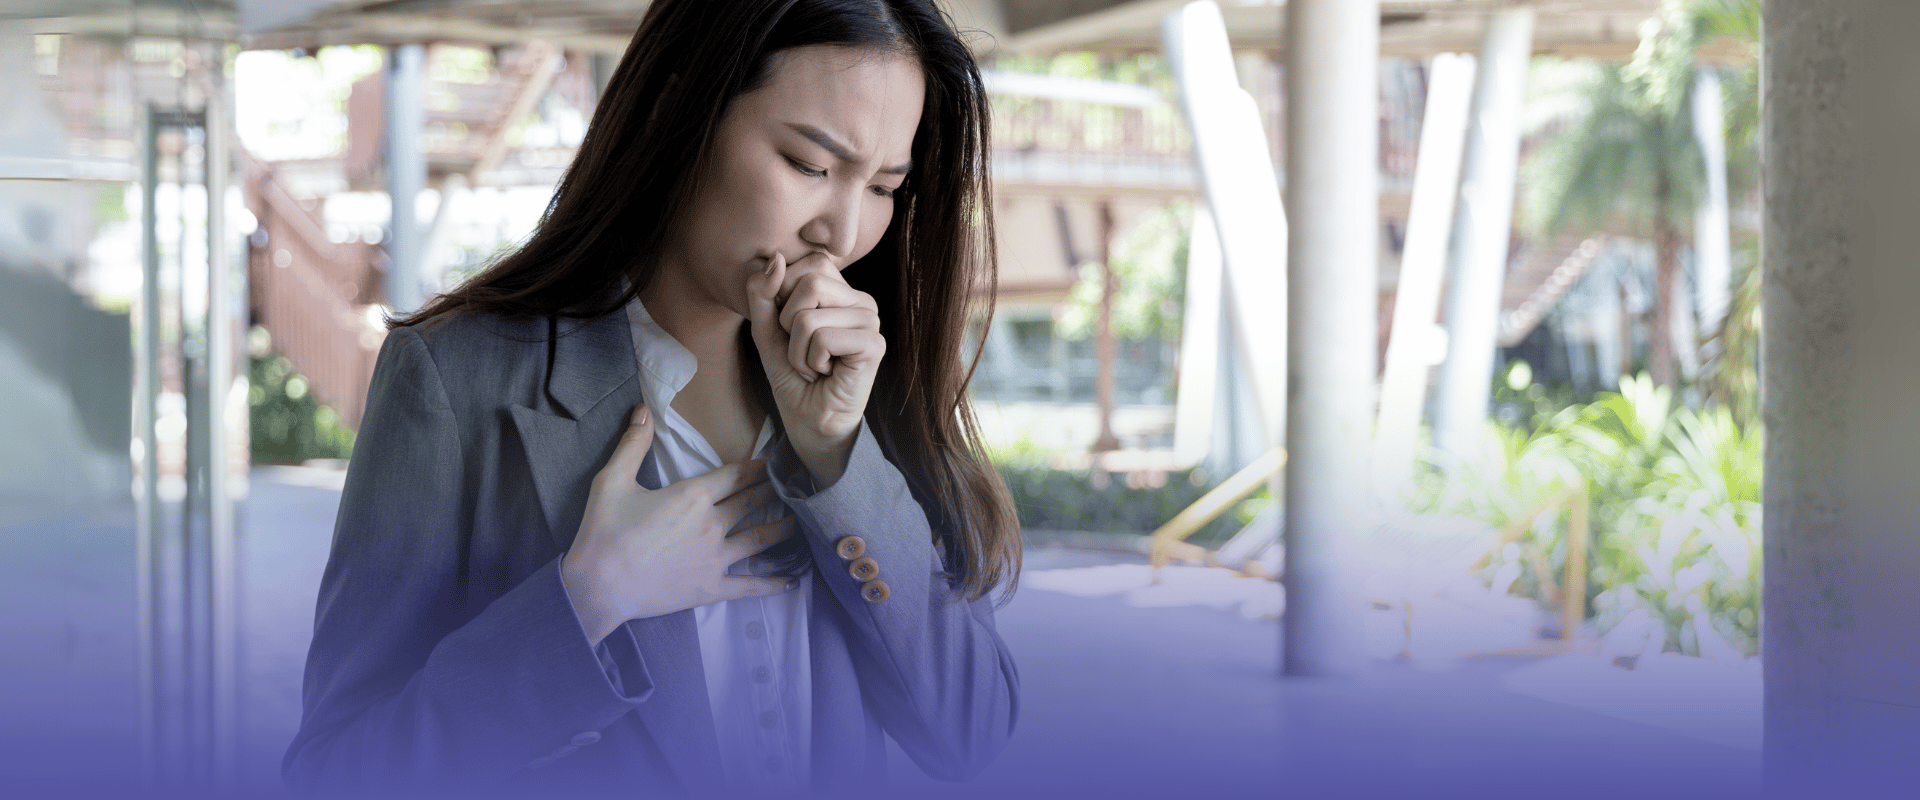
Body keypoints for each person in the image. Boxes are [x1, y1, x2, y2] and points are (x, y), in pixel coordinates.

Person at [282, 0, 1022, 795]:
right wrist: (585, 600)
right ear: (680, 110)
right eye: (809, 165)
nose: (840, 233)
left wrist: (840, 455)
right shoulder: (457, 381)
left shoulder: (863, 386)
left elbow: (971, 733)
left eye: (882, 186)